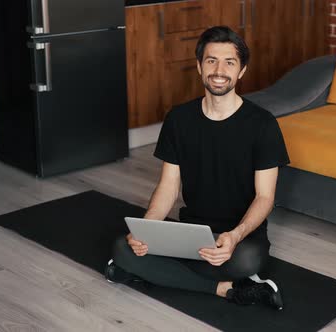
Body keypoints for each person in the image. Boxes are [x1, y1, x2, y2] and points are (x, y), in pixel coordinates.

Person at [105, 26, 290, 310]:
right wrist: (148, 228)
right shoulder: (179, 119)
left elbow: (265, 197)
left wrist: (236, 235)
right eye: (211, 60)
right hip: (192, 230)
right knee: (124, 246)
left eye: (229, 62)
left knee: (245, 260)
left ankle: (147, 272)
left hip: (240, 236)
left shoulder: (263, 125)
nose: (219, 70)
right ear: (199, 67)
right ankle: (226, 290)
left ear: (241, 71)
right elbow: (168, 186)